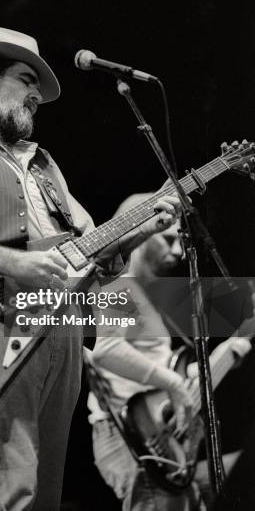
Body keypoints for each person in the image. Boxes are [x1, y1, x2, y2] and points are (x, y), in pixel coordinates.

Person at [0, 28, 182, 511]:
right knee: (9, 493)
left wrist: (141, 230)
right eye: (27, 79)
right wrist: (15, 262)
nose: (36, 96)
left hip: (64, 328)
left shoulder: (46, 165)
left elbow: (91, 247)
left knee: (45, 496)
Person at [87, 193, 252, 511]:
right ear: (139, 232)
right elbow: (105, 351)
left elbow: (166, 374)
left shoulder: (152, 295)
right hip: (133, 434)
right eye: (167, 239)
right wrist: (176, 384)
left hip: (163, 434)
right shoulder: (117, 284)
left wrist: (229, 351)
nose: (178, 251)